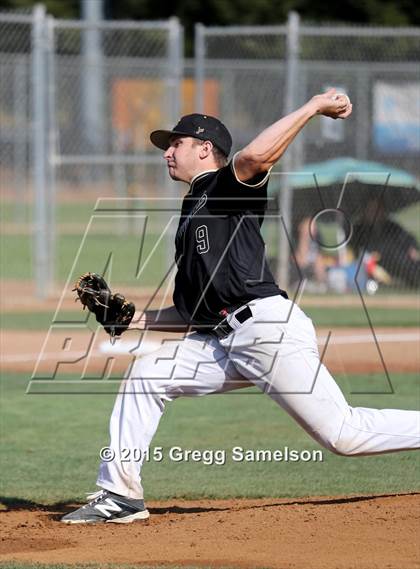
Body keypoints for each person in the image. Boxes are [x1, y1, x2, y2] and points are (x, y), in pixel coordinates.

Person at [61, 89, 420, 524]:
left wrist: (312, 107)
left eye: (175, 143)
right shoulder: (191, 211)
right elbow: (196, 314)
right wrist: (131, 318)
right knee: (147, 374)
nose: (167, 153)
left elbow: (254, 159)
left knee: (343, 434)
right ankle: (120, 496)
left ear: (205, 149)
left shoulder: (223, 187)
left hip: (266, 330)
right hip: (223, 340)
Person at [350, 196, 419, 289]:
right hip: (368, 264)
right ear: (365, 211)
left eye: (378, 209)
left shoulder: (392, 226)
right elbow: (352, 250)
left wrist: (412, 249)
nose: (375, 213)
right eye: (371, 210)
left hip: (394, 261)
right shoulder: (358, 229)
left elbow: (409, 241)